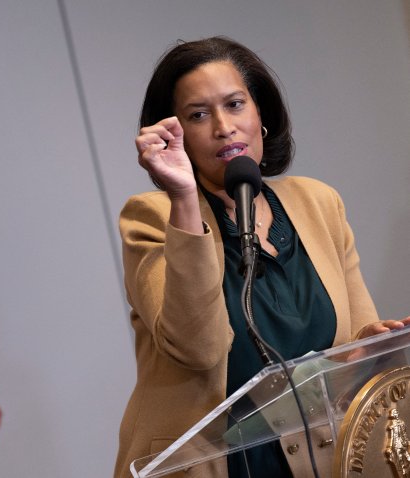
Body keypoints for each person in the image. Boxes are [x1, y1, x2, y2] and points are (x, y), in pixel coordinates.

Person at [113, 36, 410, 478]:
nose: (223, 126)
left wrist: (371, 344)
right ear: (177, 135)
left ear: (261, 116)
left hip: (322, 461)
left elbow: (355, 346)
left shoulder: (318, 203)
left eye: (235, 105)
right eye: (198, 115)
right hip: (216, 467)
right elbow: (199, 350)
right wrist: (183, 197)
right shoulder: (152, 219)